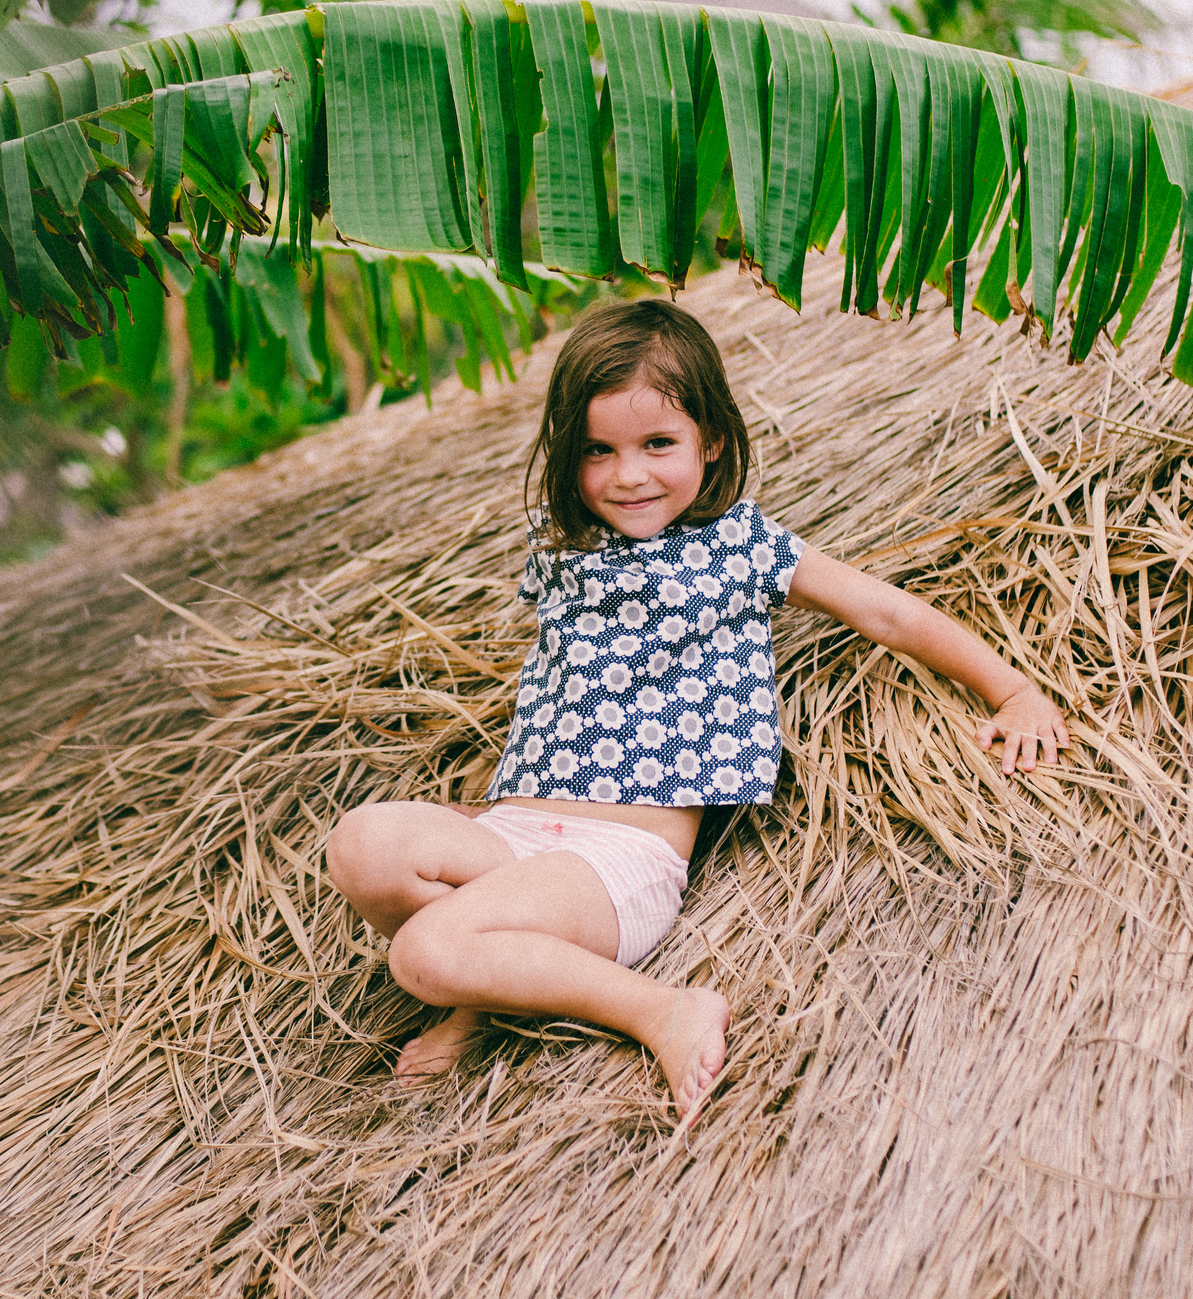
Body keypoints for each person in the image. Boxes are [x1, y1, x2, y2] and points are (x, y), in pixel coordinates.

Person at [323, 297, 1067, 1125]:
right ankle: (488, 978)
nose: (627, 474)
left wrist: (1012, 688)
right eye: (597, 451)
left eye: (658, 444)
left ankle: (657, 1008)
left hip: (616, 859)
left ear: (710, 441)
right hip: (512, 833)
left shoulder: (741, 545)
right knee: (360, 843)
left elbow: (885, 613)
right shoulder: (560, 542)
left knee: (420, 951)